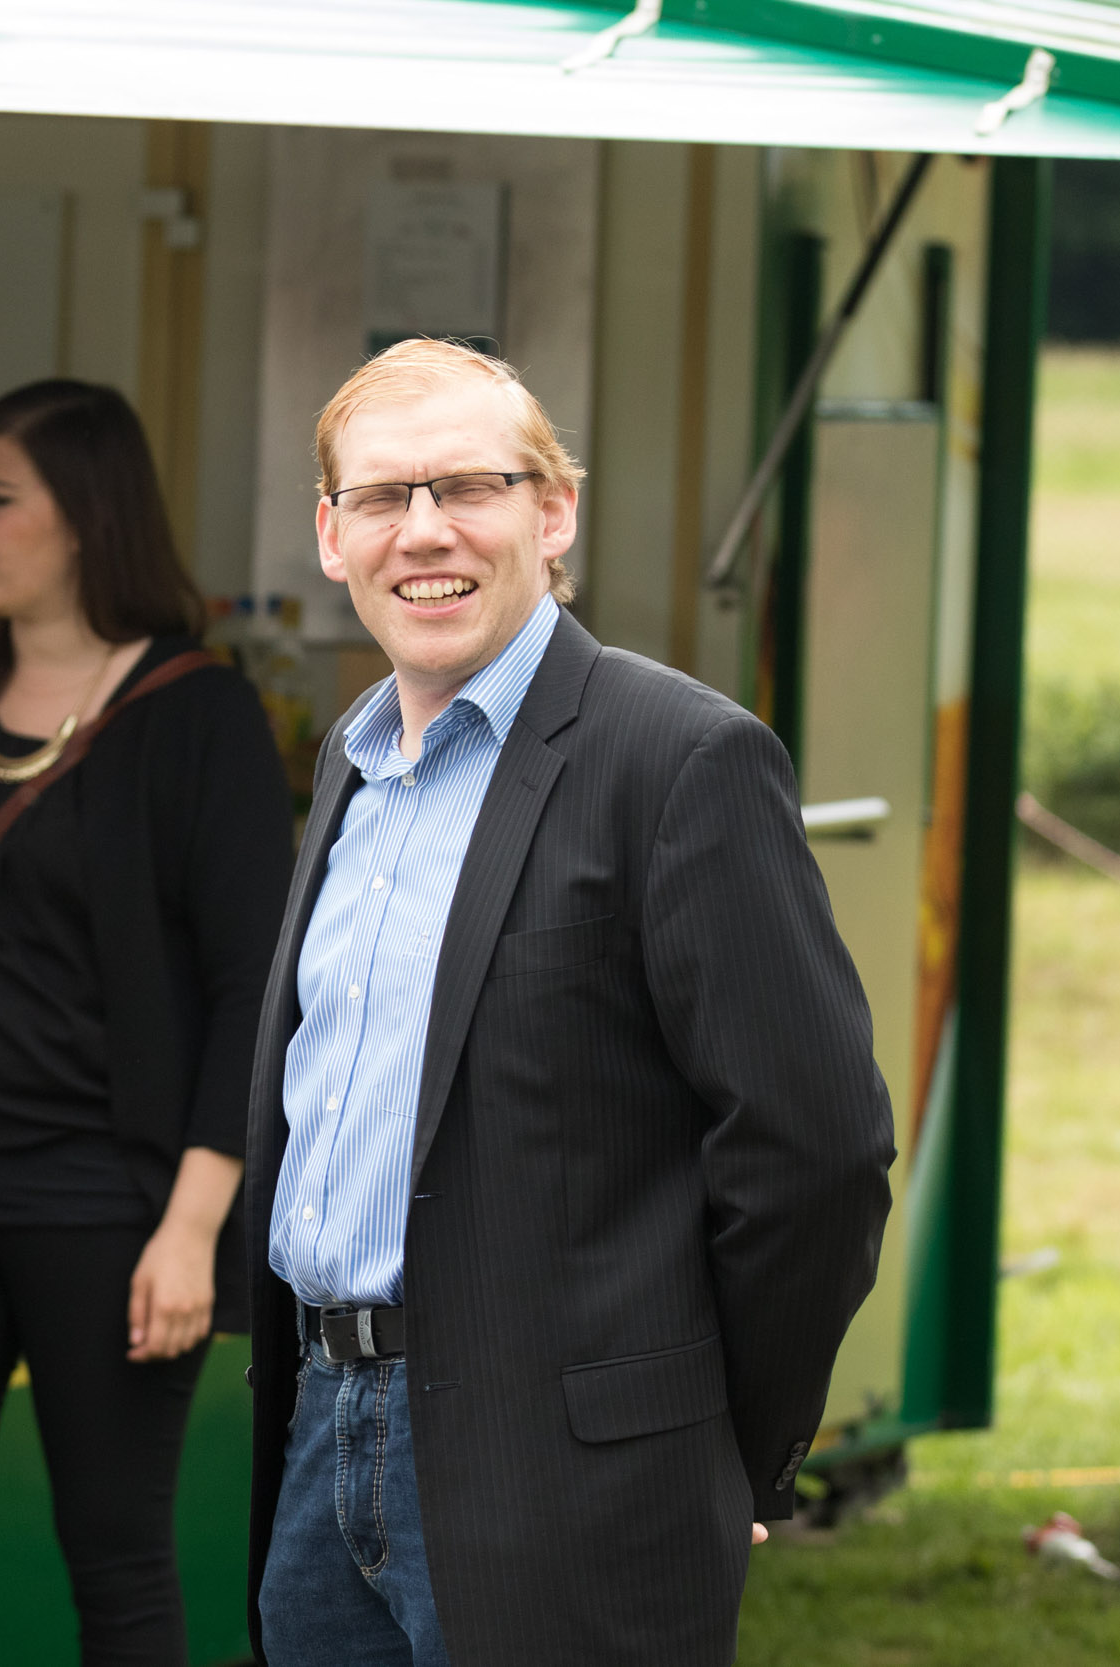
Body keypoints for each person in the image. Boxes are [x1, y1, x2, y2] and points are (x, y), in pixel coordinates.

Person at [242, 338, 897, 1667]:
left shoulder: (680, 760)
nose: (424, 533)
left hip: (567, 1470)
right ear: (329, 534)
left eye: (467, 488)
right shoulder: (355, 764)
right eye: (380, 498)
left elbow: (813, 1152)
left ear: (554, 512)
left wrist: (732, 1441)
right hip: (324, 1429)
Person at [0, 380, 292, 1667]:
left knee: (118, 1563)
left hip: (115, 1203)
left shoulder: (198, 714)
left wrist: (193, 1227)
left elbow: (253, 985)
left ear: (86, 518)